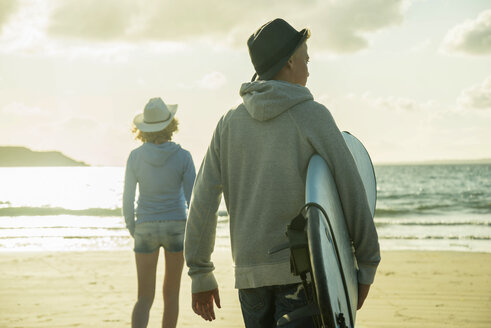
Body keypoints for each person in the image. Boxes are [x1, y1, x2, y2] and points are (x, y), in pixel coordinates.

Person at [184, 18, 380, 327]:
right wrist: (367, 262)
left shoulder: (229, 123)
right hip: (304, 275)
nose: (309, 65)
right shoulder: (311, 115)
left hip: (249, 280)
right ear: (289, 61)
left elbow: (203, 199)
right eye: (306, 57)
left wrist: (200, 272)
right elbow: (350, 188)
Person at [123, 98, 196, 328]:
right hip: (176, 226)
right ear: (169, 124)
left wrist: (133, 227)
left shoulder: (135, 157)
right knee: (171, 295)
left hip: (145, 226)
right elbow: (193, 199)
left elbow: (127, 198)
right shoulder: (183, 156)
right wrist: (192, 232)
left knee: (144, 297)